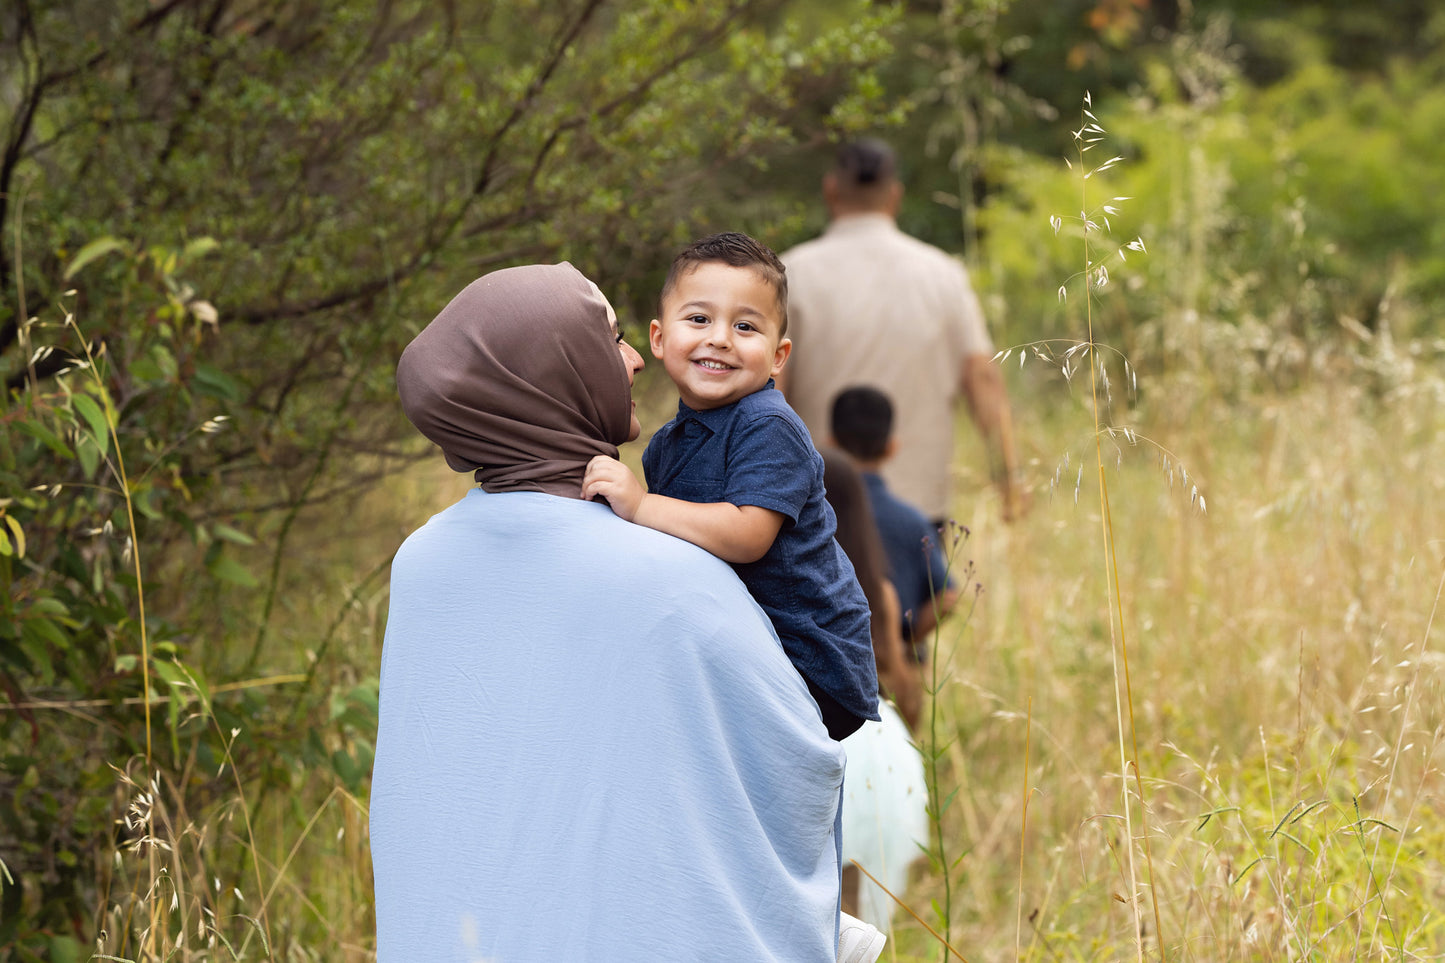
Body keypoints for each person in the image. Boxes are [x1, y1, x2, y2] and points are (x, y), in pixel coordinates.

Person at [371, 262, 848, 962]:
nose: (631, 360)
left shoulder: (420, 561)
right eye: (611, 339)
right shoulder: (671, 576)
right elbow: (799, 752)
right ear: (549, 372)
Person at [582, 232, 880, 745]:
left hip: (810, 658)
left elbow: (748, 535)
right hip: (745, 643)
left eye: (745, 326)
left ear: (779, 354)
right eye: (698, 319)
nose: (720, 338)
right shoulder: (666, 446)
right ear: (658, 339)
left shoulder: (769, 425)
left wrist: (640, 505)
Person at [778, 138, 1026, 525]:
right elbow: (982, 378)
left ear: (831, 190)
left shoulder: (792, 274)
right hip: (921, 504)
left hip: (821, 503)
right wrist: (1009, 479)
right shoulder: (943, 274)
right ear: (895, 195)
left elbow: (773, 385)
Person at [831, 386, 960, 656]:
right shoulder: (911, 520)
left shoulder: (818, 513)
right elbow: (947, 597)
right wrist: (904, 644)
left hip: (831, 655)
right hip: (893, 668)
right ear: (891, 448)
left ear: (830, 444)